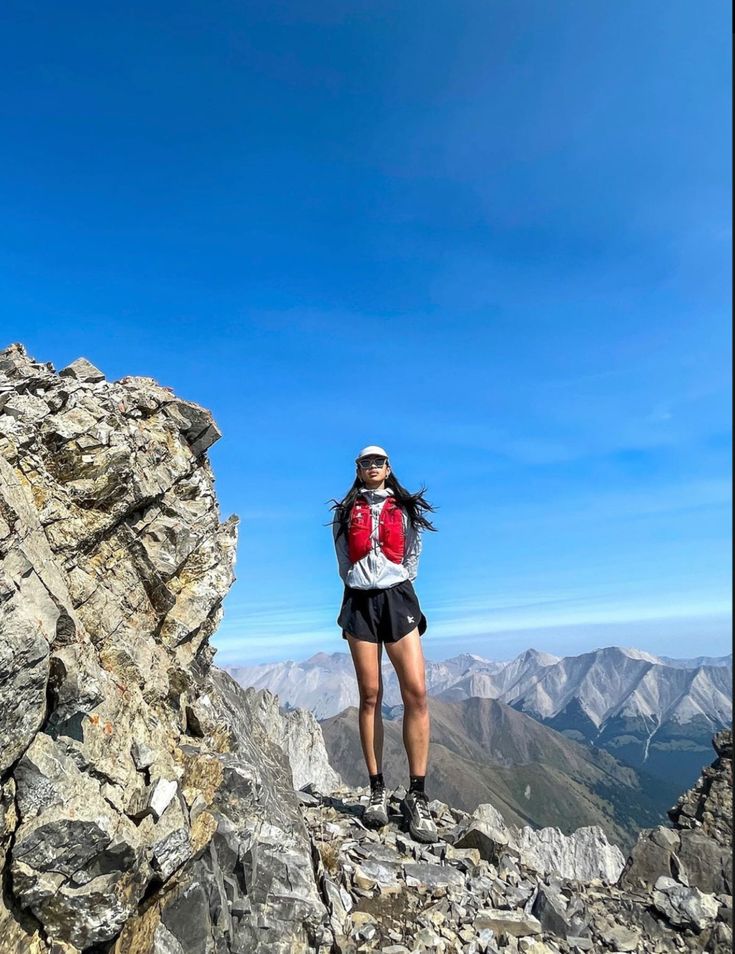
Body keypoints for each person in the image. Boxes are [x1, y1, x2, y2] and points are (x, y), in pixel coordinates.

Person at [329, 445, 439, 843]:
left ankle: (417, 793)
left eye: (378, 462)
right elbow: (343, 561)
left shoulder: (404, 509)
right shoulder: (345, 513)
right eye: (365, 462)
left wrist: (391, 579)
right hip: (360, 600)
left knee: (417, 693)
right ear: (358, 470)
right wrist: (363, 582)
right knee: (370, 694)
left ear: (388, 468)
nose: (372, 467)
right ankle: (376, 790)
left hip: (397, 595)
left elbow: (413, 558)